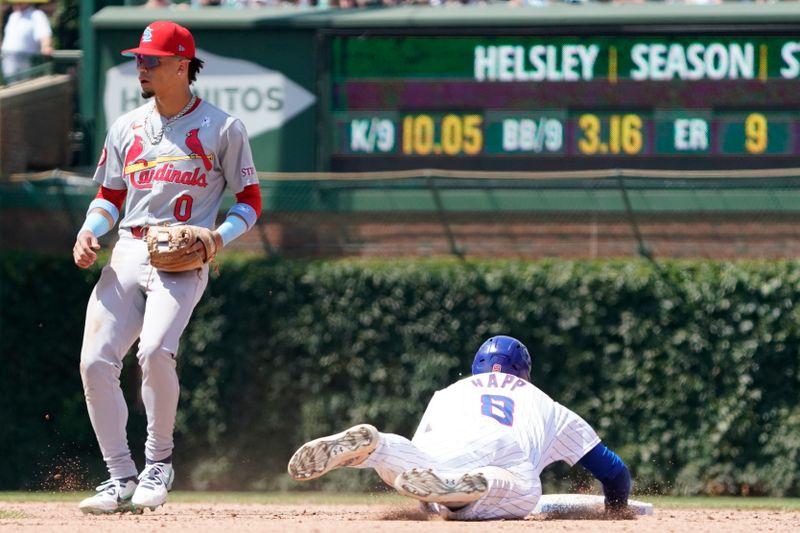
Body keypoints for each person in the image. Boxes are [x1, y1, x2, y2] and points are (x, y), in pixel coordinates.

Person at [74, 20, 261, 514]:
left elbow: (251, 200)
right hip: (129, 249)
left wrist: (218, 237)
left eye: (151, 60)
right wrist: (89, 228)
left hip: (183, 255)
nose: (142, 67)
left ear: (182, 66)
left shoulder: (222, 127)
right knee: (95, 361)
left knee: (155, 351)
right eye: (139, 59)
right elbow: (111, 195)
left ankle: (159, 462)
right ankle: (120, 477)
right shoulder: (126, 127)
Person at [288, 335, 631, 520]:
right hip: (505, 451)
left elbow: (420, 456)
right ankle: (461, 494)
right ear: (525, 373)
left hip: (448, 444)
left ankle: (378, 447)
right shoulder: (548, 405)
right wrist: (617, 511)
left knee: (414, 458)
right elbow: (614, 472)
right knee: (525, 490)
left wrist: (428, 501)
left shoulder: (450, 391)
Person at [1, 0, 53, 82]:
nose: (16, 4)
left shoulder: (37, 15)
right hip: (8, 59)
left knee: (24, 87)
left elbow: (44, 33)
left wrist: (46, 46)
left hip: (26, 59)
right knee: (11, 87)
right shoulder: (13, 16)